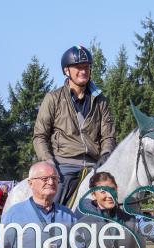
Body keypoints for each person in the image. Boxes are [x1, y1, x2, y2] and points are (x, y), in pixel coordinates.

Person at [33, 45, 116, 207]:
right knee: (50, 206)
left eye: (86, 67)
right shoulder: (53, 98)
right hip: (64, 165)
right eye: (78, 67)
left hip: (95, 165)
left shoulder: (101, 101)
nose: (83, 71)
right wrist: (49, 162)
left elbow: (108, 136)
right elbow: (40, 136)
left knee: (114, 201)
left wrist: (106, 154)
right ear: (66, 71)